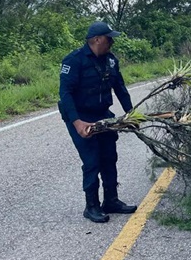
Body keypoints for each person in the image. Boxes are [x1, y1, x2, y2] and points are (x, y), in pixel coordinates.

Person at [59, 21, 137, 223]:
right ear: (96, 40)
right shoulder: (74, 61)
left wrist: (132, 114)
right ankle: (91, 206)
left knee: (110, 157)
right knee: (92, 160)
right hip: (80, 116)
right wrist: (77, 123)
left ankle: (111, 200)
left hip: (103, 114)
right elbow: (65, 94)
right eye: (109, 38)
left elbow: (120, 88)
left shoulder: (110, 61)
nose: (111, 42)